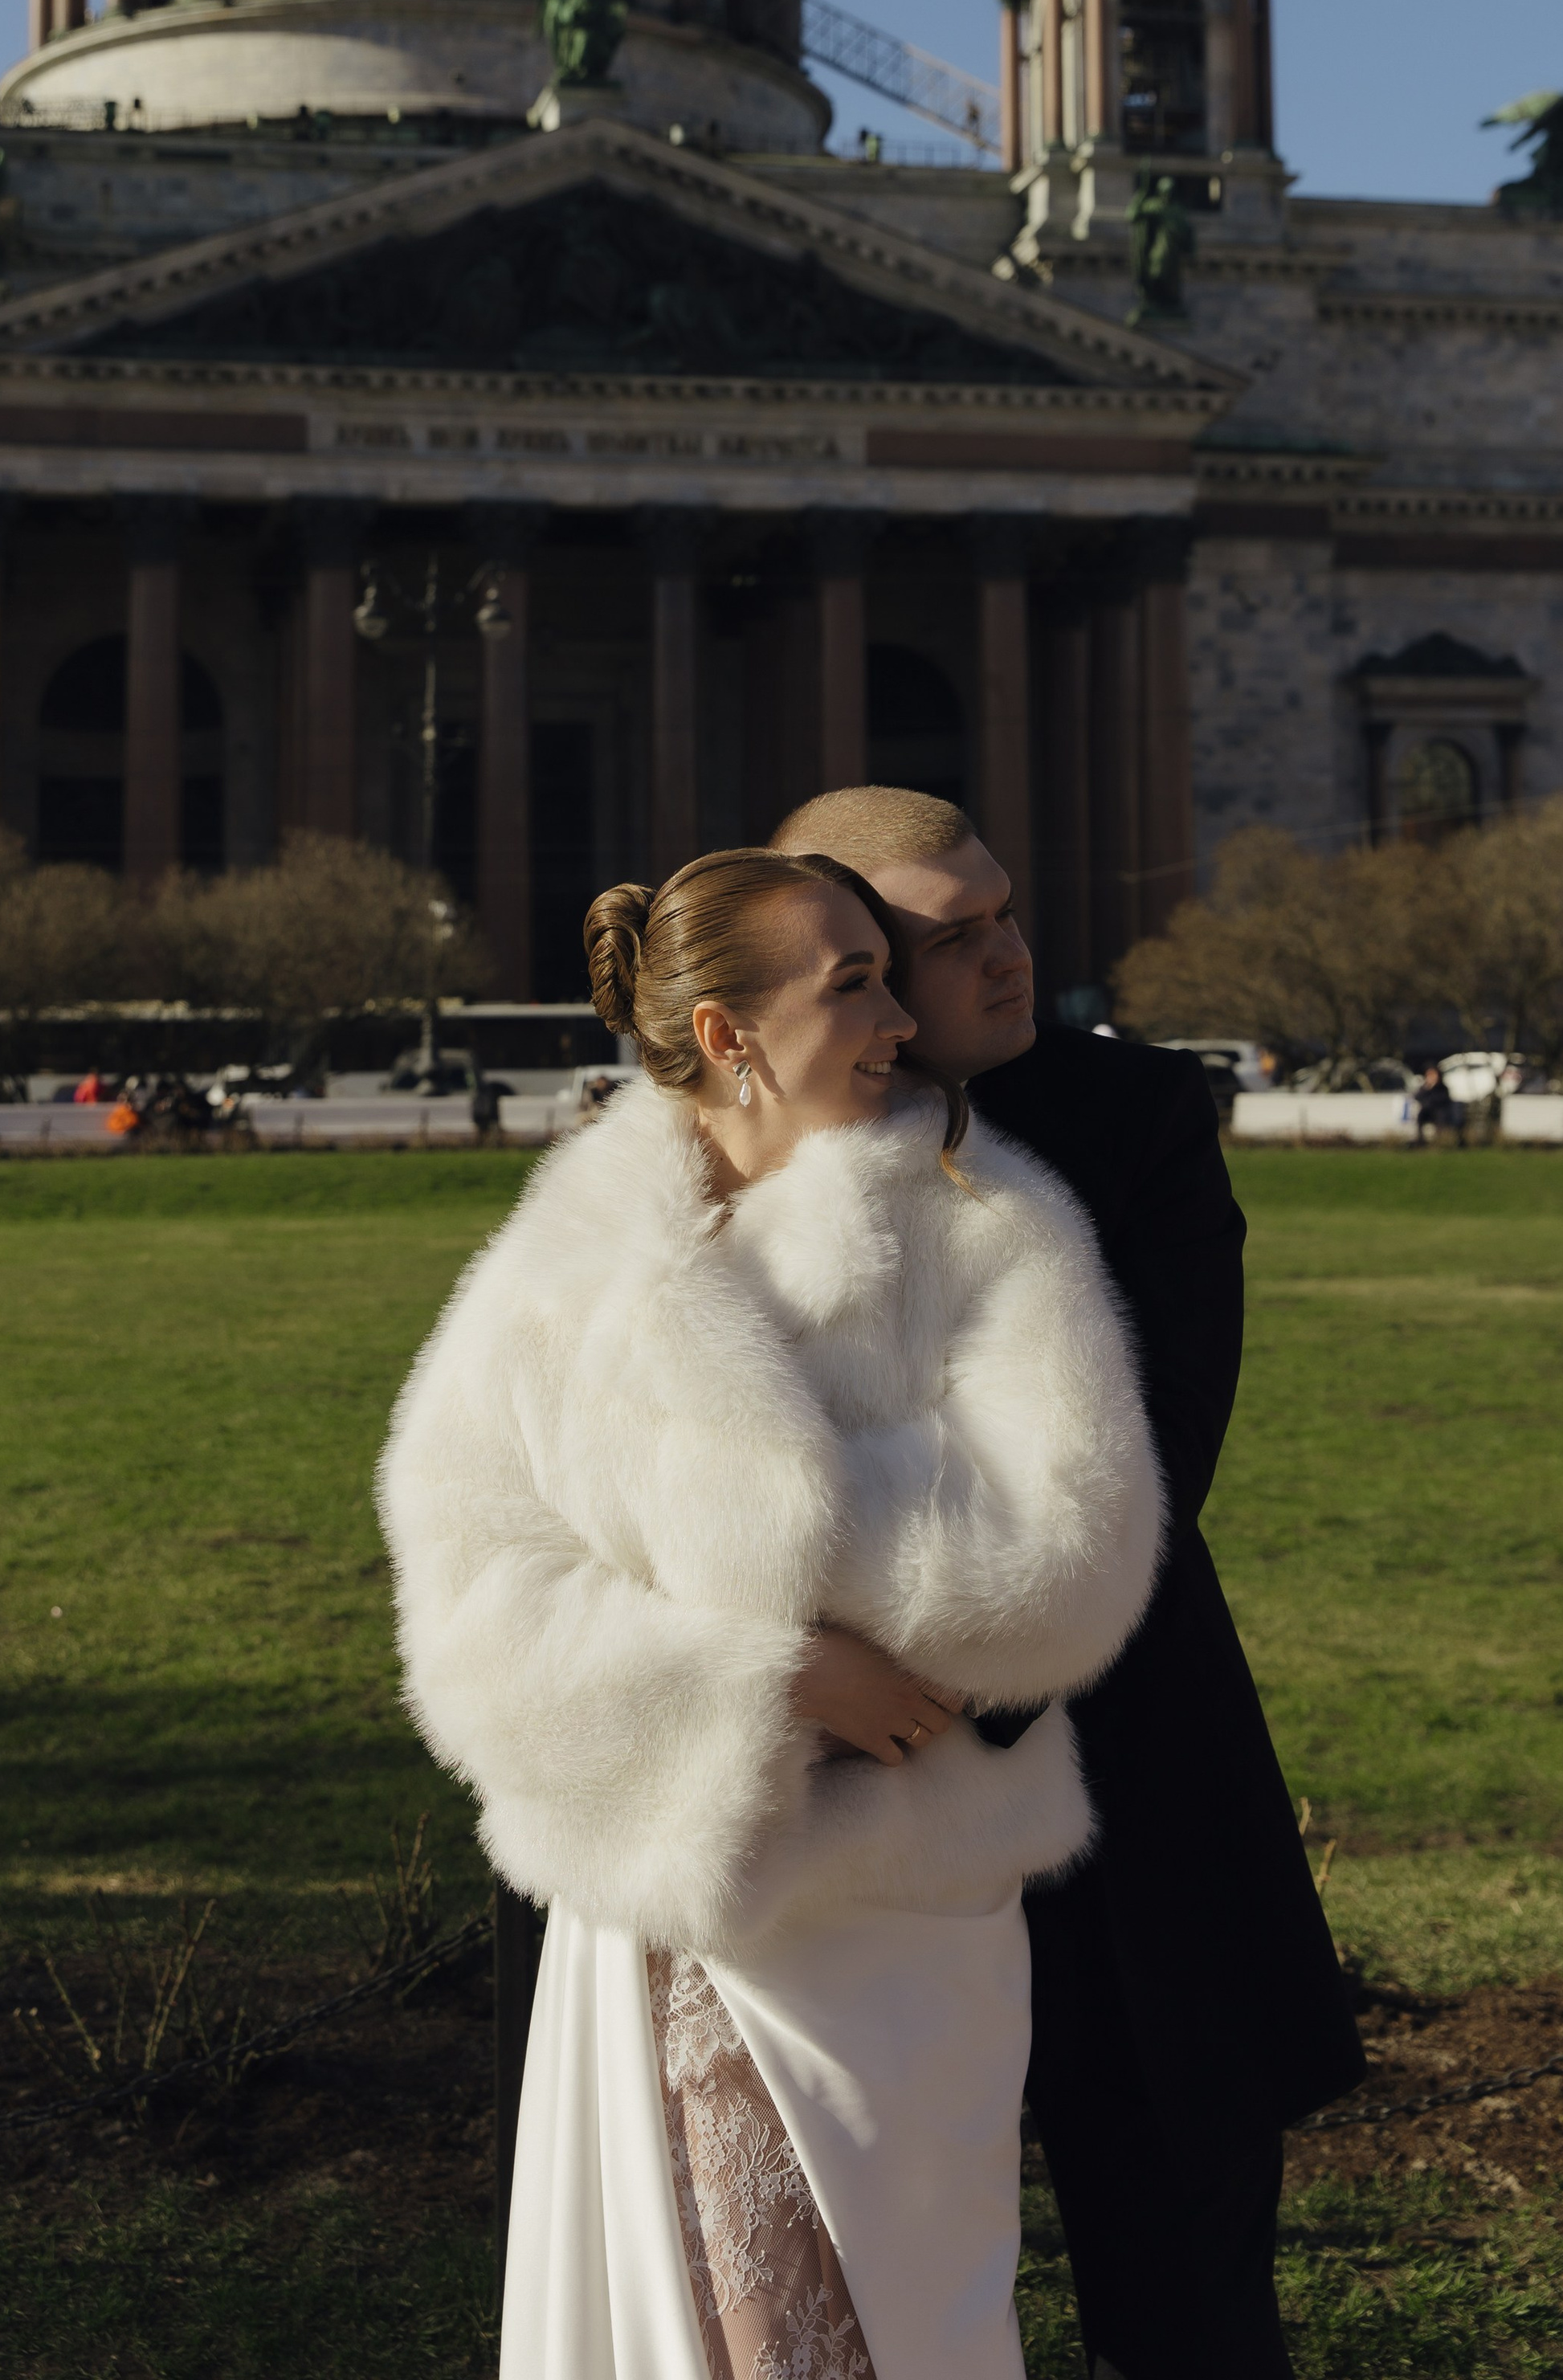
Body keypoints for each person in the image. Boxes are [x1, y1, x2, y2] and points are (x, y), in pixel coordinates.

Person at [378, 847, 1166, 2379]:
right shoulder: (568, 1268)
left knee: (890, 2335)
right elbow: (472, 1584)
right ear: (731, 1033)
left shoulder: (989, 1224)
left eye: (890, 972)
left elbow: (1074, 1545)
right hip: (667, 1905)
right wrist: (769, 1664)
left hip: (900, 1918)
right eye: (853, 981)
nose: (900, 1018)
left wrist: (730, 1530)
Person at [770, 789, 1366, 2380]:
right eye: (948, 936)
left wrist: (913, 1684)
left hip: (1120, 1796)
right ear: (843, 961)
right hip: (832, 1840)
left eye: (1006, 914)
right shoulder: (732, 1152)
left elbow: (1149, 1471)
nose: (1009, 955)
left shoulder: (1137, 1124)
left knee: (1179, 2297)